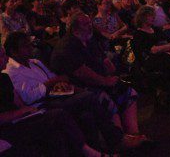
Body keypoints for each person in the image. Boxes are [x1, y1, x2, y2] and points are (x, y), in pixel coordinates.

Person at [3, 31, 126, 151]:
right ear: (14, 52)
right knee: (88, 97)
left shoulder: (35, 62)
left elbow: (51, 77)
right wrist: (53, 83)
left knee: (86, 110)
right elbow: (28, 97)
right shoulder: (11, 72)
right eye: (25, 46)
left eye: (30, 44)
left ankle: (100, 147)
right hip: (40, 105)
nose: (30, 48)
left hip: (55, 96)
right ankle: (115, 139)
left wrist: (59, 83)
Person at [49, 13, 146, 142]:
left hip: (98, 80)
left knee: (128, 92)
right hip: (79, 86)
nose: (90, 27)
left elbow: (104, 60)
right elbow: (82, 73)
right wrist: (105, 82)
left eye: (90, 23)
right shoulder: (67, 46)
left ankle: (134, 133)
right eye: (85, 24)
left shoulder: (89, 40)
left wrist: (113, 75)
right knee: (107, 100)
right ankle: (119, 139)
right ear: (74, 29)